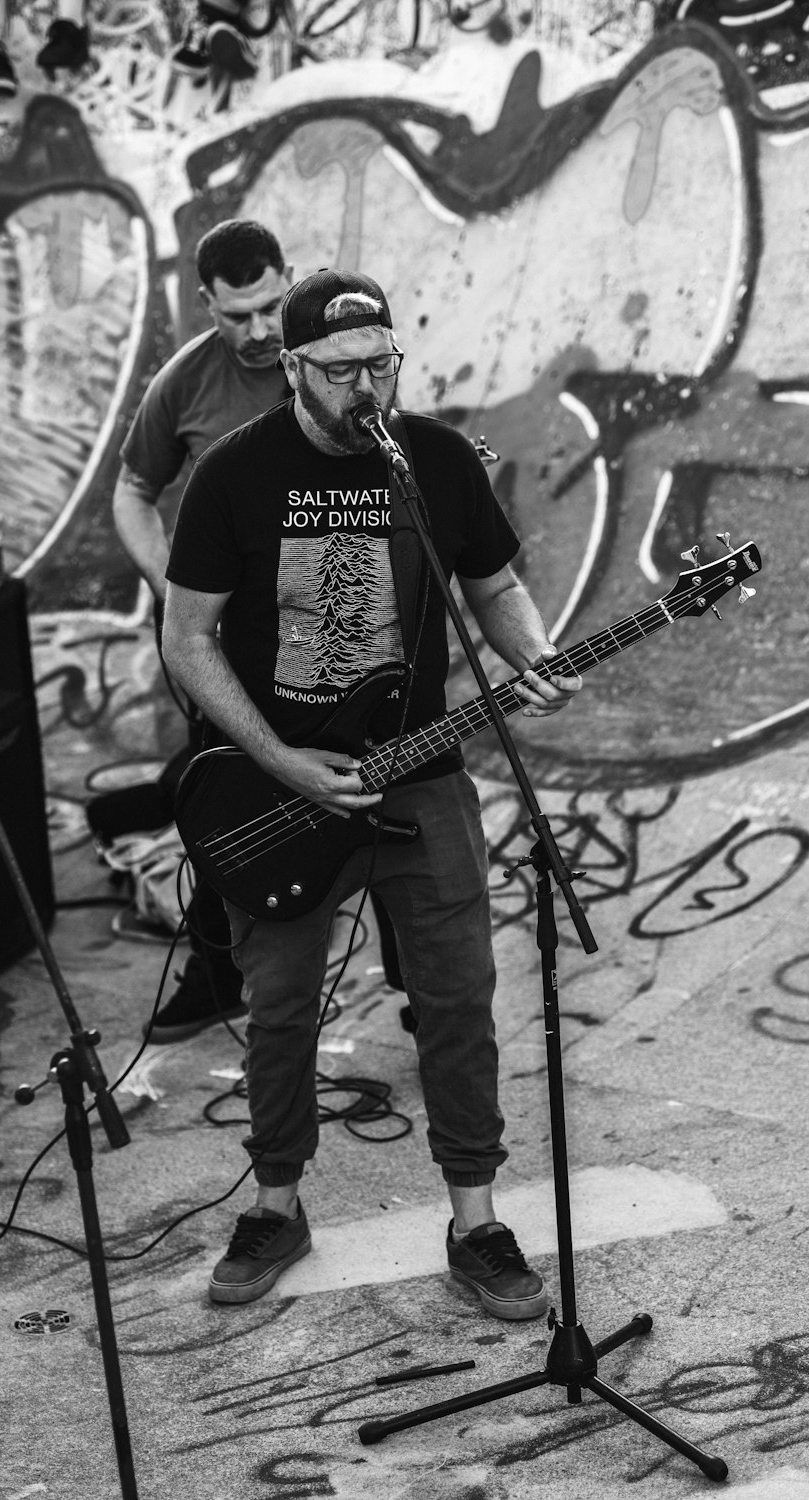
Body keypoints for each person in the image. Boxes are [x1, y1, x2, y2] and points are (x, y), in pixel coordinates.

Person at [161, 267, 583, 1319]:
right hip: (278, 788)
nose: (366, 388)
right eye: (342, 370)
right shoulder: (234, 473)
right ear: (293, 369)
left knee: (456, 1002)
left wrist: (527, 654)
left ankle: (476, 1221)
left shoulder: (430, 459)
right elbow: (188, 638)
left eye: (381, 365)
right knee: (278, 1009)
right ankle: (274, 1206)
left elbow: (493, 584)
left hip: (422, 776)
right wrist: (277, 758)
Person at [112, 218, 292, 1042]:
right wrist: (170, 587)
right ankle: (216, 973)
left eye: (271, 307)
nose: (258, 332)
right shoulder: (182, 383)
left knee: (385, 780)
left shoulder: (330, 354)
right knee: (218, 799)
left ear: (290, 280)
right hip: (218, 634)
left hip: (332, 621)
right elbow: (131, 491)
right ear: (205, 306)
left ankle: (414, 978)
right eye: (237, 315)